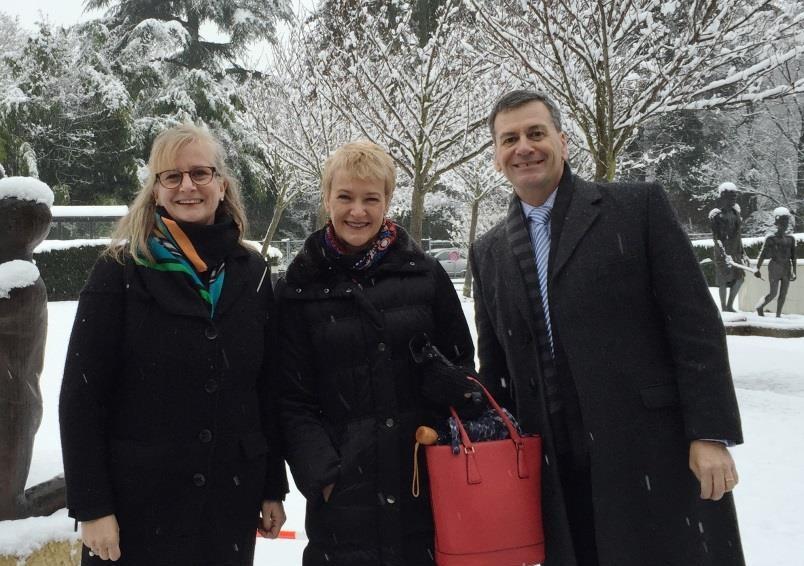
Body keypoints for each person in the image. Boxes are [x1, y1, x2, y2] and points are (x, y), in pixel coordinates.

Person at [470, 90, 744, 566]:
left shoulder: (636, 209)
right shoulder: (488, 252)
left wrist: (711, 433)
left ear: (563, 140)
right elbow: (497, 370)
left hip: (650, 452)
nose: (524, 147)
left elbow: (695, 326)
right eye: (509, 138)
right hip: (554, 470)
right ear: (496, 156)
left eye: (536, 133)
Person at [59, 124, 288, 566]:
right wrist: (92, 507)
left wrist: (270, 486)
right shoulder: (120, 272)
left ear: (222, 184)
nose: (188, 186)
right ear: (156, 190)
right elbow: (82, 396)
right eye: (172, 176)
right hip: (137, 508)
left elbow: (264, 390)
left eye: (200, 173)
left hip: (228, 503)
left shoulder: (252, 272)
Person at [276, 141, 478, 566]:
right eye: (345, 197)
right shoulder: (299, 288)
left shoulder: (424, 274)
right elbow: (290, 396)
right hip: (345, 498)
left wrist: (448, 381)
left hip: (423, 480)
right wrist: (324, 474)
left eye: (372, 198)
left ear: (388, 201)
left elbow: (463, 363)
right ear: (327, 197)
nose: (358, 211)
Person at [709, 182, 747, 312]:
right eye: (730, 197)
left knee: (740, 279)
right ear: (722, 198)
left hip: (735, 252)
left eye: (734, 197)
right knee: (723, 280)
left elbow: (738, 235)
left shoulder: (736, 214)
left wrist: (743, 253)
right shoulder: (716, 215)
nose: (733, 200)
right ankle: (724, 307)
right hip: (722, 253)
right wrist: (724, 254)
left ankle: (730, 305)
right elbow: (716, 238)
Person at [755, 207, 797, 317]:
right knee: (773, 293)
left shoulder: (791, 239)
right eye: (782, 222)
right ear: (777, 223)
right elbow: (762, 254)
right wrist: (757, 268)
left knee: (783, 293)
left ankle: (778, 315)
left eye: (786, 221)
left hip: (786, 267)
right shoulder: (771, 238)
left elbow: (793, 256)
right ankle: (760, 307)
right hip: (774, 267)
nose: (785, 224)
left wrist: (794, 271)